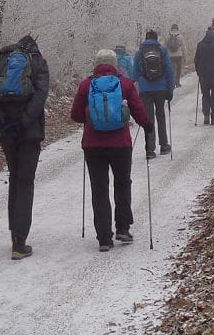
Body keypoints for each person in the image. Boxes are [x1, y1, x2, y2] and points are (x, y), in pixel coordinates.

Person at [71, 49, 153, 251]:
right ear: (115, 64)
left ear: (96, 64)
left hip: (93, 145)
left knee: (99, 189)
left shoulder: (86, 85)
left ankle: (104, 238)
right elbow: (137, 110)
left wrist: (91, 119)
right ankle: (123, 228)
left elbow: (75, 115)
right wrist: (148, 125)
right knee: (122, 184)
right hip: (120, 144)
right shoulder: (125, 84)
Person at [0, 34, 50, 260]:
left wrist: (1, 119)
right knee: (26, 181)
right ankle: (19, 242)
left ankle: (14, 233)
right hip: (29, 131)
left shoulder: (2, 58)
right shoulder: (38, 61)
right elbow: (41, 96)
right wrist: (25, 121)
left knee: (14, 176)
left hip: (6, 131)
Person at [133, 28, 175, 157]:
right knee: (161, 116)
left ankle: (150, 150)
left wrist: (139, 84)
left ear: (146, 38)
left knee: (148, 118)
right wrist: (170, 89)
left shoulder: (139, 52)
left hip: (145, 89)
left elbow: (135, 73)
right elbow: (169, 70)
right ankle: (164, 145)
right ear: (156, 38)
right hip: (161, 88)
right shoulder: (162, 50)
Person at [166, 23, 186, 88]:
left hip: (170, 56)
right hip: (178, 55)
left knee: (171, 69)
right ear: (177, 29)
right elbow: (183, 47)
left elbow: (165, 46)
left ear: (171, 29)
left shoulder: (168, 36)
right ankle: (177, 83)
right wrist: (185, 56)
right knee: (178, 69)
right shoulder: (180, 36)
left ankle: (172, 83)